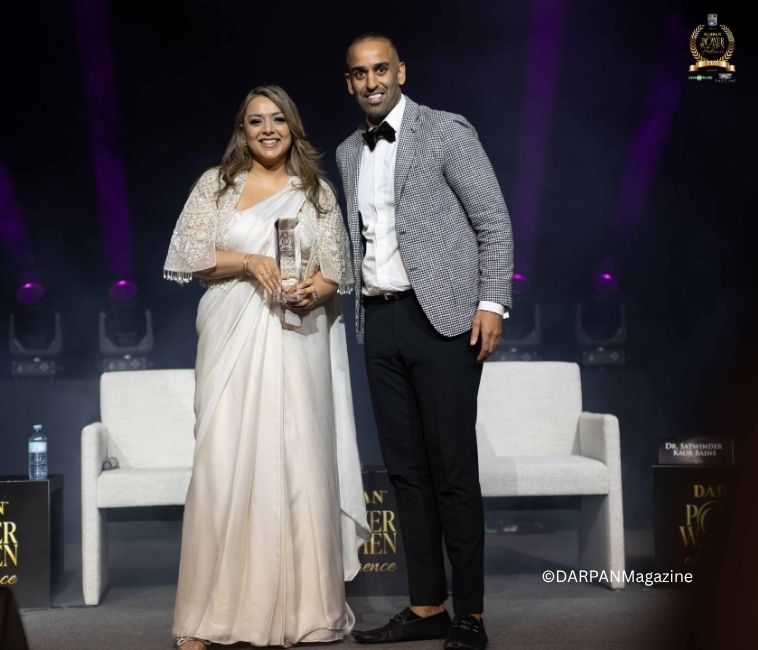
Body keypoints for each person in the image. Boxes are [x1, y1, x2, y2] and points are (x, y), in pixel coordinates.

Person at [163, 84, 369, 649]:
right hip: (229, 335)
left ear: (293, 126)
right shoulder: (216, 185)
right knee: (222, 461)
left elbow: (337, 272)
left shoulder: (315, 193)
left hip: (298, 338)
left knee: (298, 460)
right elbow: (190, 256)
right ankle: (208, 617)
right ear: (243, 130)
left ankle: (303, 611)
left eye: (278, 119)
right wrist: (251, 261)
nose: (268, 129)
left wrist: (311, 292)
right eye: (256, 121)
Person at [336, 34, 513, 650]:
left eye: (381, 69)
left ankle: (471, 614)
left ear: (401, 72)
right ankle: (426, 606)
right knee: (405, 473)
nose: (371, 82)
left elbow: (493, 220)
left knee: (452, 469)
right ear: (349, 82)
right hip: (378, 320)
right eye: (360, 73)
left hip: (443, 318)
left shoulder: (446, 130)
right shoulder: (347, 152)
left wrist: (492, 302)